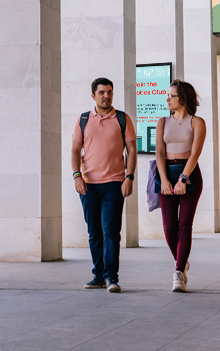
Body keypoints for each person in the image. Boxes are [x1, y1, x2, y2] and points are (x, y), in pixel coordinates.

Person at [71, 77, 137, 293]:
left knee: (111, 230)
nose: (106, 96)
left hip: (114, 183)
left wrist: (129, 177)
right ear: (94, 96)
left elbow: (132, 151)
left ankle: (111, 277)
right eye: (102, 92)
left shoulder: (122, 119)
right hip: (88, 184)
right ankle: (98, 276)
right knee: (94, 231)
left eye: (109, 92)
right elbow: (74, 151)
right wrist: (77, 176)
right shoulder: (83, 119)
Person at [156, 79, 206, 293]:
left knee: (184, 225)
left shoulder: (197, 122)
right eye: (167, 95)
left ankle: (178, 273)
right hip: (166, 174)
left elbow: (195, 153)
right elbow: (159, 153)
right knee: (169, 227)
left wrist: (183, 179)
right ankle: (182, 261)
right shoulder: (162, 122)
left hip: (189, 174)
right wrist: (164, 179)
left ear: (183, 98)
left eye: (172, 95)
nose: (167, 99)